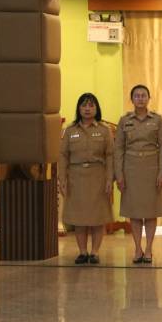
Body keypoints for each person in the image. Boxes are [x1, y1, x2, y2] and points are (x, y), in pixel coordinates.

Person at [114, 85, 162, 264]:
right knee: (134, 211)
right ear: (132, 99)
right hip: (131, 169)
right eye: (136, 96)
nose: (140, 98)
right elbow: (118, 149)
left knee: (151, 211)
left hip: (152, 168)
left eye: (144, 95)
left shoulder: (158, 120)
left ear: (149, 98)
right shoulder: (124, 120)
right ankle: (137, 248)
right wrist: (119, 174)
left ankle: (149, 248)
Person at [58, 93, 114, 264]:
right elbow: (63, 155)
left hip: (98, 176)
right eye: (84, 105)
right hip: (76, 178)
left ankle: (95, 252)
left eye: (91, 105)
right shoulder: (70, 130)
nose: (87, 109)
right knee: (79, 218)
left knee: (98, 217)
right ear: (79, 109)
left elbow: (110, 155)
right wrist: (62, 179)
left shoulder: (104, 130)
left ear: (96, 108)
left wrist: (109, 179)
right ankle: (82, 252)